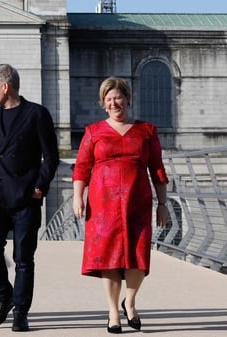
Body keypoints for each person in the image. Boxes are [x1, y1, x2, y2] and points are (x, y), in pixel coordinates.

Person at [72, 76, 169, 334]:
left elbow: (157, 169)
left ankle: (131, 301)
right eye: (109, 99)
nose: (115, 103)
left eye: (118, 97)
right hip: (103, 207)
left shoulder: (146, 130)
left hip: (138, 203)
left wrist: (163, 203)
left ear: (128, 99)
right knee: (110, 258)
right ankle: (113, 312)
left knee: (137, 256)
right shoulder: (93, 132)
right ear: (103, 104)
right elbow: (82, 167)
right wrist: (77, 197)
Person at [0, 64, 60, 332]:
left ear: (5, 86)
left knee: (24, 257)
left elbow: (51, 157)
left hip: (26, 197)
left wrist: (39, 189)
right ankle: (5, 295)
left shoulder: (37, 114)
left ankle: (21, 311)